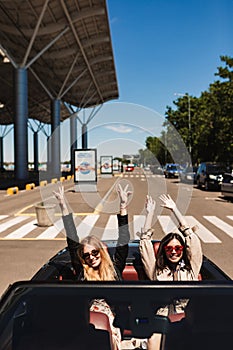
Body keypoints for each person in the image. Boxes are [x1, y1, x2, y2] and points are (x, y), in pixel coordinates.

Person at [53, 183, 132, 350]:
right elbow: (72, 239)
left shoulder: (114, 267)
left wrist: (123, 206)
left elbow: (123, 240)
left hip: (114, 319)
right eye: (87, 255)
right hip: (88, 321)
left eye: (95, 253)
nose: (91, 258)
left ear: (101, 252)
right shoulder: (82, 270)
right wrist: (62, 205)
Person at [139, 194, 203, 350]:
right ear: (164, 251)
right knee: (154, 337)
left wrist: (175, 209)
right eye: (169, 248)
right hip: (162, 318)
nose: (173, 252)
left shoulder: (191, 268)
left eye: (178, 248)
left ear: (183, 249)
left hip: (187, 317)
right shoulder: (156, 270)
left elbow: (191, 238)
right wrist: (149, 214)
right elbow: (145, 243)